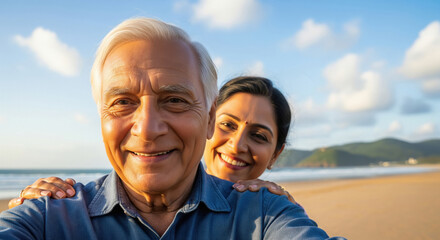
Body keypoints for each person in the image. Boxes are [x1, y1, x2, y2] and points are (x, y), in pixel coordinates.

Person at [0, 17, 344, 239]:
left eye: (175, 100)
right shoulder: (51, 214)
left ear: (205, 118)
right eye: (122, 101)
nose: (148, 129)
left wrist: (272, 206)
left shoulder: (265, 211)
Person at [9, 76, 296, 207]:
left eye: (258, 136)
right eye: (227, 125)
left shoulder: (269, 209)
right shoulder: (91, 202)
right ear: (207, 123)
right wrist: (39, 210)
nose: (236, 145)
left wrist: (277, 206)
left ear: (275, 154)